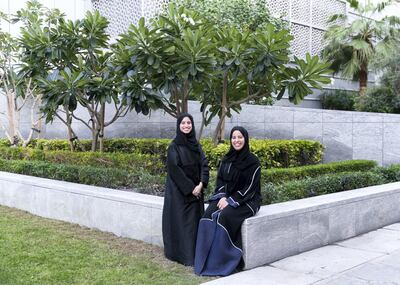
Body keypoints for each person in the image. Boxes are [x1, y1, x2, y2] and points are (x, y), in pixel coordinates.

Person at [194, 126, 261, 276]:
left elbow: (250, 188)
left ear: (245, 139)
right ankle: (202, 261)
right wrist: (223, 197)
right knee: (207, 215)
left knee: (224, 217)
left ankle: (222, 263)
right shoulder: (227, 159)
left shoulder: (253, 161)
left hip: (248, 201)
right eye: (234, 137)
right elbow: (221, 182)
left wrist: (230, 201)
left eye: (240, 137)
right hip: (225, 198)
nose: (236, 140)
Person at [162, 113, 209, 266]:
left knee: (194, 225)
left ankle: (195, 254)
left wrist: (201, 184)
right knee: (182, 225)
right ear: (178, 125)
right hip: (179, 193)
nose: (186, 125)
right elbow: (175, 169)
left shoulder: (196, 145)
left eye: (189, 123)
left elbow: (204, 164)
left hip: (197, 191)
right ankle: (182, 255)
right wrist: (190, 188)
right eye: (183, 123)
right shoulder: (174, 147)